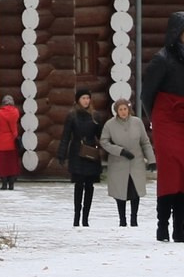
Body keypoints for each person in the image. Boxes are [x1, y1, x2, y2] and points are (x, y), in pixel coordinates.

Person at [138, 10, 184, 242]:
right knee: (170, 171)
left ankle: (180, 228)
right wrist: (155, 118)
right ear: (177, 33)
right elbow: (146, 93)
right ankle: (162, 226)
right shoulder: (162, 59)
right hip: (167, 115)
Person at [99, 96, 154, 227]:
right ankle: (122, 220)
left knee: (135, 191)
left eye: (125, 109)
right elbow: (104, 142)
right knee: (120, 191)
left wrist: (152, 159)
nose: (123, 111)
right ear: (116, 111)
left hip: (136, 162)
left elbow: (145, 142)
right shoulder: (110, 124)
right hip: (119, 163)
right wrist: (120, 151)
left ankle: (134, 219)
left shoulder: (137, 122)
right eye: (120, 109)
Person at [57, 87, 106, 226]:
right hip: (77, 152)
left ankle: (86, 218)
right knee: (79, 185)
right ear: (78, 100)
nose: (86, 101)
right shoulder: (72, 116)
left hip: (91, 152)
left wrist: (110, 148)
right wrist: (62, 154)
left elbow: (102, 136)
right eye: (83, 98)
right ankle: (77, 216)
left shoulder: (95, 116)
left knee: (89, 186)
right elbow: (65, 136)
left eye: (88, 98)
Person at [0, 92, 24, 190]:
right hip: (13, 143)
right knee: (12, 164)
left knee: (3, 165)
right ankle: (12, 184)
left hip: (1, 143)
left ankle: (4, 183)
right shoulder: (16, 112)